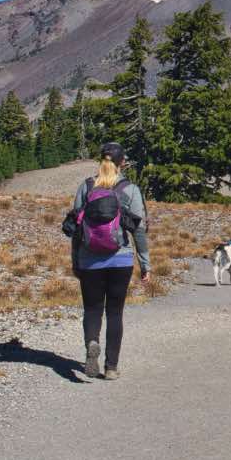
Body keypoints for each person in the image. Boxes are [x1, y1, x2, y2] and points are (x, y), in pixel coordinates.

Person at [65, 142, 150, 380]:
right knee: (115, 313)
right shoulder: (130, 189)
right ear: (122, 162)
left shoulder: (86, 186)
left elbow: (76, 227)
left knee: (92, 309)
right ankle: (111, 367)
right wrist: (145, 264)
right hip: (120, 260)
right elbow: (139, 230)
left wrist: (76, 261)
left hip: (89, 260)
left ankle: (92, 342)